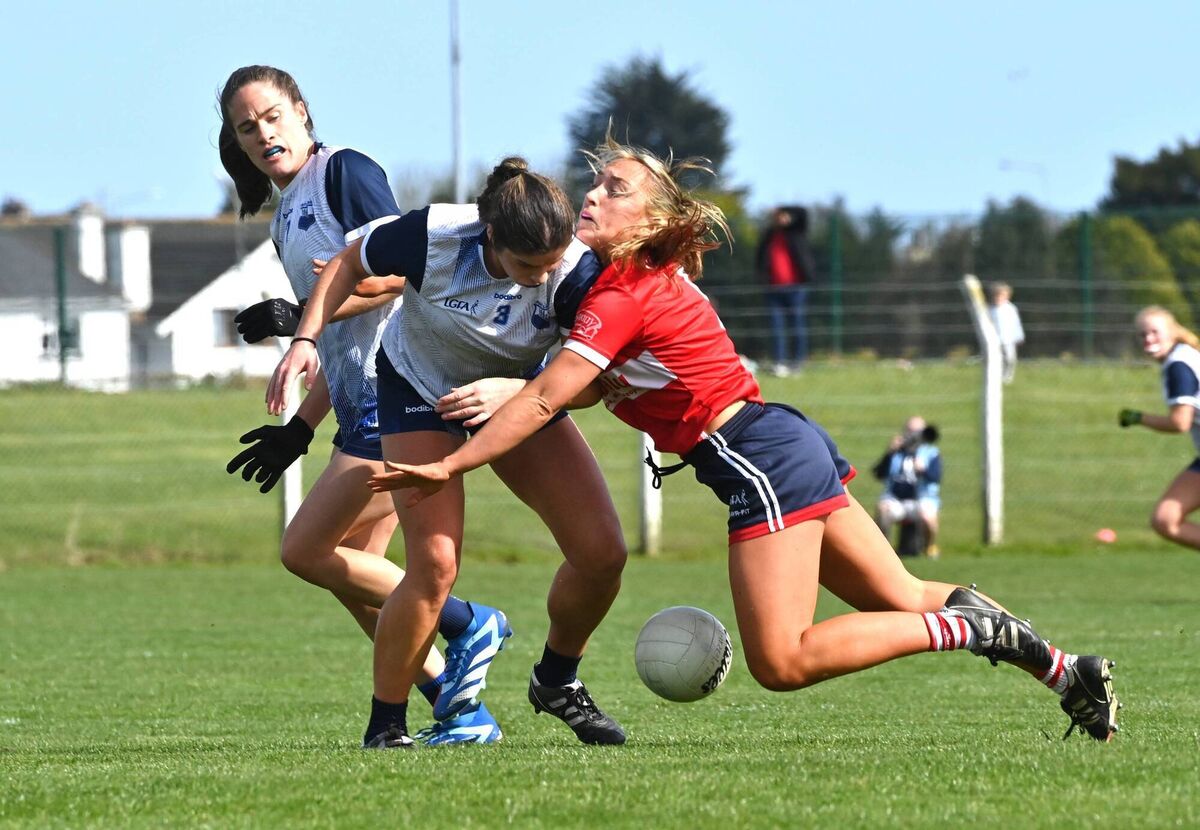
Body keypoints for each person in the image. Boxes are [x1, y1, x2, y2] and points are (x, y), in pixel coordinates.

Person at [371, 135, 1121, 743]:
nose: (594, 194)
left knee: (784, 659)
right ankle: (1063, 670)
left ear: (655, 221)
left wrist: (455, 464)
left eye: (617, 189)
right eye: (595, 184)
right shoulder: (627, 288)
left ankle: (961, 631)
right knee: (900, 592)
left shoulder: (619, 294)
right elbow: (589, 385)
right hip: (784, 439)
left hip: (757, 459)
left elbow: (546, 399)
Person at [266, 158, 629, 750]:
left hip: (520, 394)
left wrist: (516, 391)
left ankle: (557, 681)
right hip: (418, 389)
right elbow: (345, 264)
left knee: (603, 553)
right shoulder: (432, 234)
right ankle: (387, 725)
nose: (543, 277)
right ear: (491, 237)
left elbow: (595, 377)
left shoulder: (575, 271)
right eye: (527, 266)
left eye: (552, 261)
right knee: (434, 566)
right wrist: (305, 339)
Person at [217, 65, 504, 746]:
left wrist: (297, 317)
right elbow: (338, 335)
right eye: (246, 127)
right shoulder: (285, 216)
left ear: (303, 113)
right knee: (357, 580)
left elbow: (402, 274)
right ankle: (460, 711)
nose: (263, 134)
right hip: (357, 404)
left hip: (397, 393)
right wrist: (300, 430)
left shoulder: (344, 171)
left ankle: (469, 622)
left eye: (273, 117)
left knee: (306, 551)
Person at [1119, 305, 1200, 552]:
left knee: (1167, 520)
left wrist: (1138, 417)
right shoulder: (1182, 357)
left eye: (1154, 332)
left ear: (1172, 332)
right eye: (1143, 335)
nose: (1148, 339)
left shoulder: (1179, 365)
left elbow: (1180, 422)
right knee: (1166, 519)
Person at [755, 205, 815, 377]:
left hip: (796, 288)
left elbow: (804, 213)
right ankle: (779, 362)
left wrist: (784, 209)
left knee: (797, 326)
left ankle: (797, 363)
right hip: (773, 289)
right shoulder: (769, 235)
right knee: (776, 328)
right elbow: (760, 258)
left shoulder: (796, 232)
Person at [872, 416, 942, 558]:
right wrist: (889, 453)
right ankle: (885, 551)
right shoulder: (896, 451)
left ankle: (929, 547)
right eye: (910, 431)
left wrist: (923, 469)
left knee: (928, 517)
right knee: (883, 509)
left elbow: (936, 477)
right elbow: (879, 474)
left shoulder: (931, 452)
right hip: (896, 499)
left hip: (923, 499)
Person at [988, 282, 1025, 384]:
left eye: (1003, 296)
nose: (999, 298)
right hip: (995, 340)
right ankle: (998, 376)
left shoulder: (1011, 309)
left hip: (1009, 339)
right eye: (997, 296)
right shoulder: (989, 310)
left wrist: (1019, 336)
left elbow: (1016, 323)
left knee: (1010, 358)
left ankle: (1008, 376)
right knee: (996, 359)